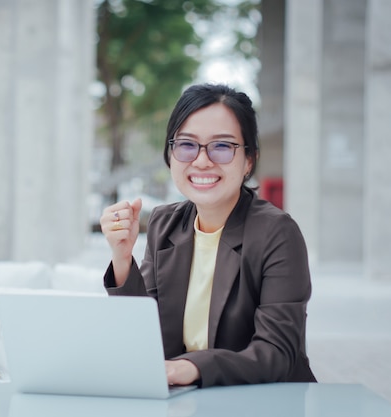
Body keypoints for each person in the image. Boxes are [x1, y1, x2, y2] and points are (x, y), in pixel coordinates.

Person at [99, 83, 316, 388]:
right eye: (187, 145)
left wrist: (190, 368)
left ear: (249, 160)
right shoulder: (165, 224)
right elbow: (146, 337)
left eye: (222, 146)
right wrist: (122, 256)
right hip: (187, 401)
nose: (201, 160)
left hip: (263, 403)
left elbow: (276, 353)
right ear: (170, 155)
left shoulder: (277, 233)